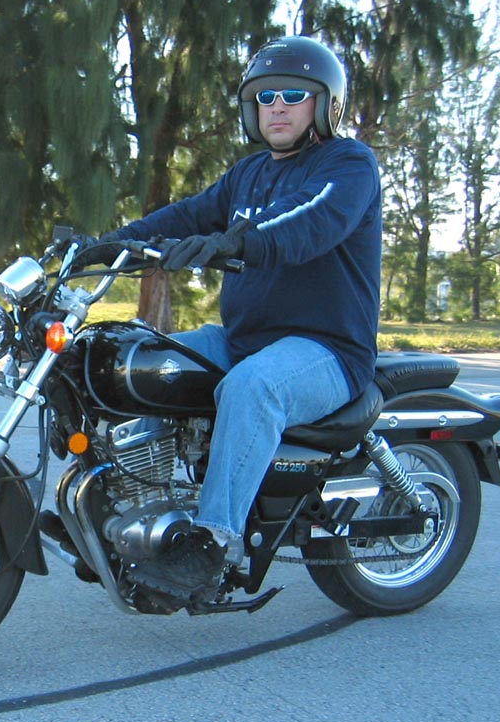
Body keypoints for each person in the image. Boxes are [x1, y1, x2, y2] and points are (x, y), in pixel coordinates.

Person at [83, 36, 382, 609]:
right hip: (243, 339)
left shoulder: (348, 165)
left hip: (326, 349)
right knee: (138, 359)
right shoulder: (247, 175)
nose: (277, 106)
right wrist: (109, 244)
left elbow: (310, 220)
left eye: (293, 95)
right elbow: (187, 215)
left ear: (325, 104)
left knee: (252, 387)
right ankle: (123, 506)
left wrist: (234, 241)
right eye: (265, 96)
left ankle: (213, 544)